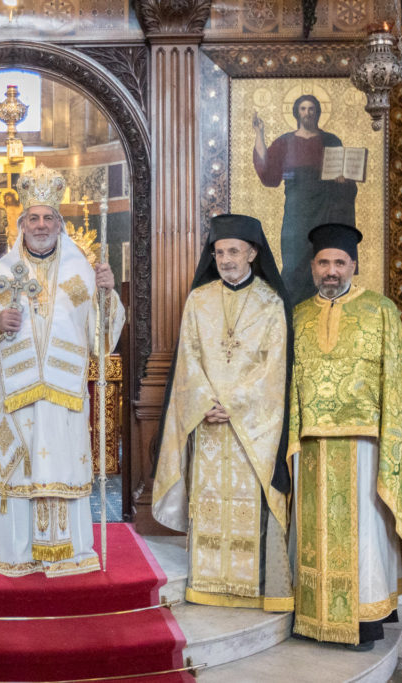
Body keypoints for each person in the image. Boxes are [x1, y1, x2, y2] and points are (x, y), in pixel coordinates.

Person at [289, 223, 402, 648]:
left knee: (364, 533)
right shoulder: (298, 314)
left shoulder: (380, 309)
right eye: (324, 262)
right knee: (309, 534)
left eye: (339, 263)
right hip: (309, 445)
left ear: (354, 266)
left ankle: (365, 619)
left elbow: (399, 379)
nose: (331, 271)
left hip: (364, 444)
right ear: (313, 267)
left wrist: (393, 438)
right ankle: (312, 615)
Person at [0, 166, 125, 577]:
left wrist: (107, 294)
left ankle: (69, 552)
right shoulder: (1, 274)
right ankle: (16, 552)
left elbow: (102, 336)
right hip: (17, 396)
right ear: (21, 225)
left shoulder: (81, 273)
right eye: (33, 218)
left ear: (59, 223)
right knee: (19, 469)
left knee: (62, 468)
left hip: (64, 395)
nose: (41, 225)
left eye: (48, 218)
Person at [152, 213, 293, 612]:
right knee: (210, 501)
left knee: (249, 503)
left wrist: (234, 404)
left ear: (252, 252)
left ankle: (254, 586)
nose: (226, 259)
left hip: (251, 427)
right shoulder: (199, 299)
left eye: (233, 251)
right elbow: (188, 358)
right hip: (207, 422)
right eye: (218, 252)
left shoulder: (270, 302)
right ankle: (208, 582)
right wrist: (204, 403)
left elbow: (275, 366)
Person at [253, 95, 358, 302]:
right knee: (293, 263)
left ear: (317, 112)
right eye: (303, 109)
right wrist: (259, 133)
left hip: (325, 210)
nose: (307, 113)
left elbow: (343, 176)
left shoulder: (331, 140)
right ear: (296, 112)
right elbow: (268, 173)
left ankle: (324, 304)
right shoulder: (285, 141)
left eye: (311, 109)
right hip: (297, 210)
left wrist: (343, 180)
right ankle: (292, 309)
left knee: (322, 256)